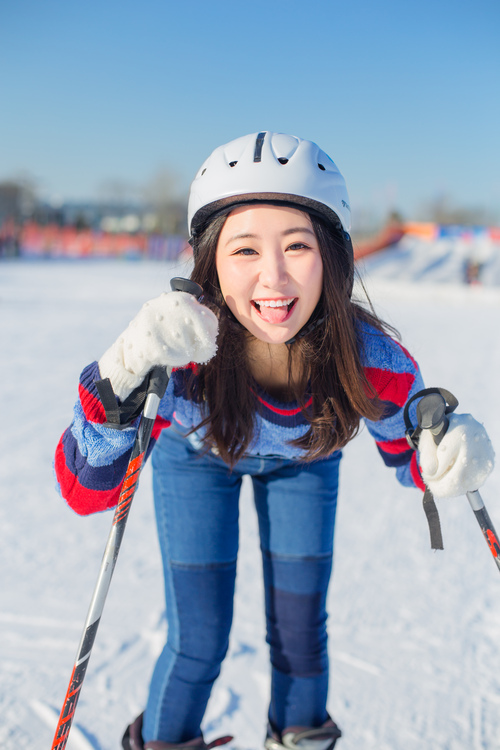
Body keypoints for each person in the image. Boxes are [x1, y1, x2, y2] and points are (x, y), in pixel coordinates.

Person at [54, 132, 494, 750]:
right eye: (244, 250)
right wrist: (120, 377)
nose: (274, 277)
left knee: (300, 634)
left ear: (333, 257)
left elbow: (411, 459)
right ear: (209, 261)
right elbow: (85, 489)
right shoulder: (183, 354)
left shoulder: (372, 360)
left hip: (306, 463)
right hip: (198, 459)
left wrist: (445, 455)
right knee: (199, 639)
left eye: (297, 245)